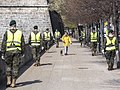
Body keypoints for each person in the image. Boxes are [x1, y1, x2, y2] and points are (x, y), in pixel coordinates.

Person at [1, 20, 25, 88]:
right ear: (15, 25)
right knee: (15, 67)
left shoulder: (7, 32)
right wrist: (23, 52)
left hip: (8, 52)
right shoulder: (20, 33)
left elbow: (4, 43)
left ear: (10, 25)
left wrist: (2, 53)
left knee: (8, 66)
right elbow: (22, 43)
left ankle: (8, 81)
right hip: (17, 52)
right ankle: (13, 83)